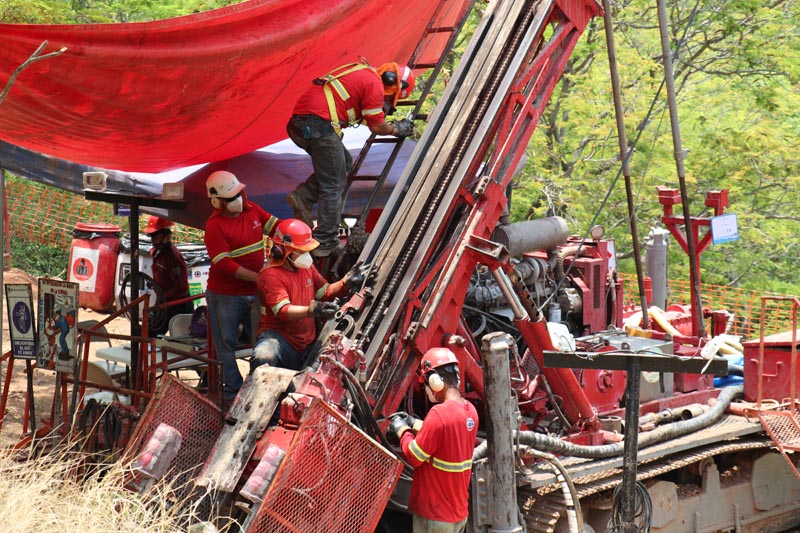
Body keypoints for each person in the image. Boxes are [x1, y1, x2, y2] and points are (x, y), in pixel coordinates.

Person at [286, 60, 417, 257]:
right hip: (317, 124)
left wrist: (383, 117)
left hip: (305, 124)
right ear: (393, 84)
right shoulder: (375, 84)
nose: (386, 101)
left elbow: (366, 116)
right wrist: (397, 128)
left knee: (344, 164)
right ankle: (325, 241)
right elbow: (377, 126)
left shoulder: (365, 76)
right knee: (335, 183)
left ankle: (304, 196)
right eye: (390, 98)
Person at [204, 170, 280, 400]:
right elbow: (224, 265)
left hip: (254, 292)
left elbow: (277, 227)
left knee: (263, 339)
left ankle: (258, 385)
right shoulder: (215, 226)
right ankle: (232, 392)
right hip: (225, 295)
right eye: (231, 198)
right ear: (217, 201)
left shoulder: (253, 210)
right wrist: (259, 277)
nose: (238, 200)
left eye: (239, 193)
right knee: (226, 345)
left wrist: (295, 236)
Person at [387, 347, 479, 533]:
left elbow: (414, 456)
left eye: (426, 384)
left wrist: (401, 430)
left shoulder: (439, 413)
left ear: (435, 381)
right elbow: (445, 433)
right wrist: (413, 422)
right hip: (458, 514)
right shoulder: (470, 411)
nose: (426, 390)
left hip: (435, 516)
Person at [252, 218, 363, 371]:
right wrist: (313, 310)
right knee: (264, 356)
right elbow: (283, 311)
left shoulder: (306, 266)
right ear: (282, 251)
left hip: (306, 342)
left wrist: (345, 283)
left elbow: (324, 291)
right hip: (281, 340)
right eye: (301, 250)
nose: (306, 254)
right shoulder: (271, 275)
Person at [143, 216, 194, 336]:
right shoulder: (156, 252)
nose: (154, 241)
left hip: (178, 304)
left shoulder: (173, 257)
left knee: (181, 339)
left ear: (167, 237)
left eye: (157, 237)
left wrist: (164, 299)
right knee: (148, 333)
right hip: (163, 301)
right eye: (152, 237)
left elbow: (181, 287)